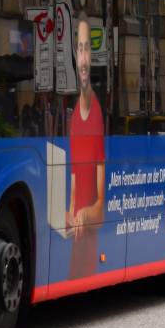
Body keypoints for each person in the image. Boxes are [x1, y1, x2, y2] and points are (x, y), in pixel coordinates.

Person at [67, 19, 106, 280]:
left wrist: (84, 214)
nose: (83, 58)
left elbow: (101, 210)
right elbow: (72, 197)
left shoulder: (97, 115)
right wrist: (64, 217)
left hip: (90, 250)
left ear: (92, 56)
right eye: (79, 49)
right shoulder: (72, 120)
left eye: (87, 50)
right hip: (74, 249)